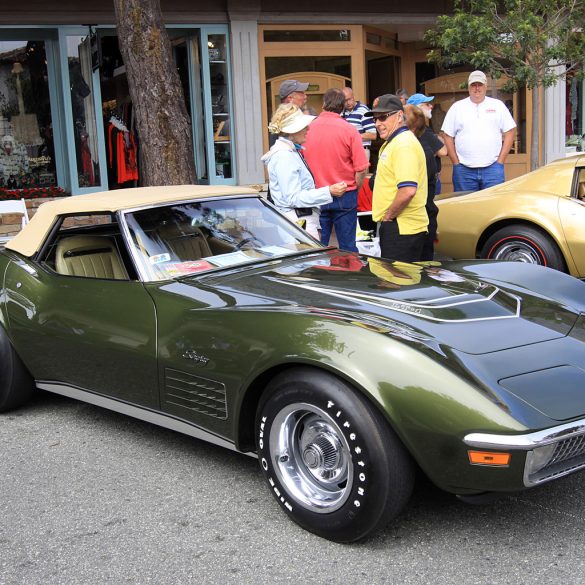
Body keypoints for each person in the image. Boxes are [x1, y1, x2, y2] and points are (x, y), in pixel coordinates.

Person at [261, 104, 347, 239]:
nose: (308, 128)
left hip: (300, 220)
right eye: (303, 126)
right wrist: (328, 191)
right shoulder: (284, 155)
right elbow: (293, 198)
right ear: (292, 131)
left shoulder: (289, 152)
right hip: (298, 222)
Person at [303, 88, 369, 252]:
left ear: (324, 104)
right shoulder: (349, 129)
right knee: (348, 248)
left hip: (316, 193)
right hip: (344, 192)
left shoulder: (307, 128)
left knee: (316, 248)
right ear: (342, 107)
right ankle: (351, 276)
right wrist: (355, 188)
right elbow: (361, 168)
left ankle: (319, 275)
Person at [366, 94, 428, 262]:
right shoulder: (397, 141)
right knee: (397, 281)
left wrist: (389, 216)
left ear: (400, 116)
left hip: (402, 227)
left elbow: (408, 190)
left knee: (397, 283)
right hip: (400, 226)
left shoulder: (403, 144)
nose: (378, 123)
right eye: (375, 118)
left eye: (383, 117)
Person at [441, 70, 516, 192]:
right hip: (464, 170)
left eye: (480, 84)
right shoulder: (457, 107)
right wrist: (455, 162)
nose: (477, 88)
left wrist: (500, 161)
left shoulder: (498, 106)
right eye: (473, 85)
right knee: (465, 207)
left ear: (486, 86)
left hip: (493, 169)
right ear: (468, 87)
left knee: (492, 207)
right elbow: (447, 135)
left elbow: (510, 132)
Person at [404, 104, 446, 260]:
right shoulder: (412, 146)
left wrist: (389, 214)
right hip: (422, 218)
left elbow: (409, 190)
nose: (431, 106)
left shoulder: (417, 148)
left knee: (419, 267)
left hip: (418, 220)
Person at [406, 93, 447, 195]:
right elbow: (443, 151)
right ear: (417, 109)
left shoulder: (412, 129)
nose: (431, 106)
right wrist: (439, 137)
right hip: (428, 180)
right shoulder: (424, 130)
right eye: (427, 104)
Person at [342, 87, 377, 160]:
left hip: (361, 151)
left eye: (349, 99)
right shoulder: (341, 112)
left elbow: (373, 134)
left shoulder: (363, 110)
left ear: (353, 97)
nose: (348, 103)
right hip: (345, 152)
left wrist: (351, 138)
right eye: (345, 101)